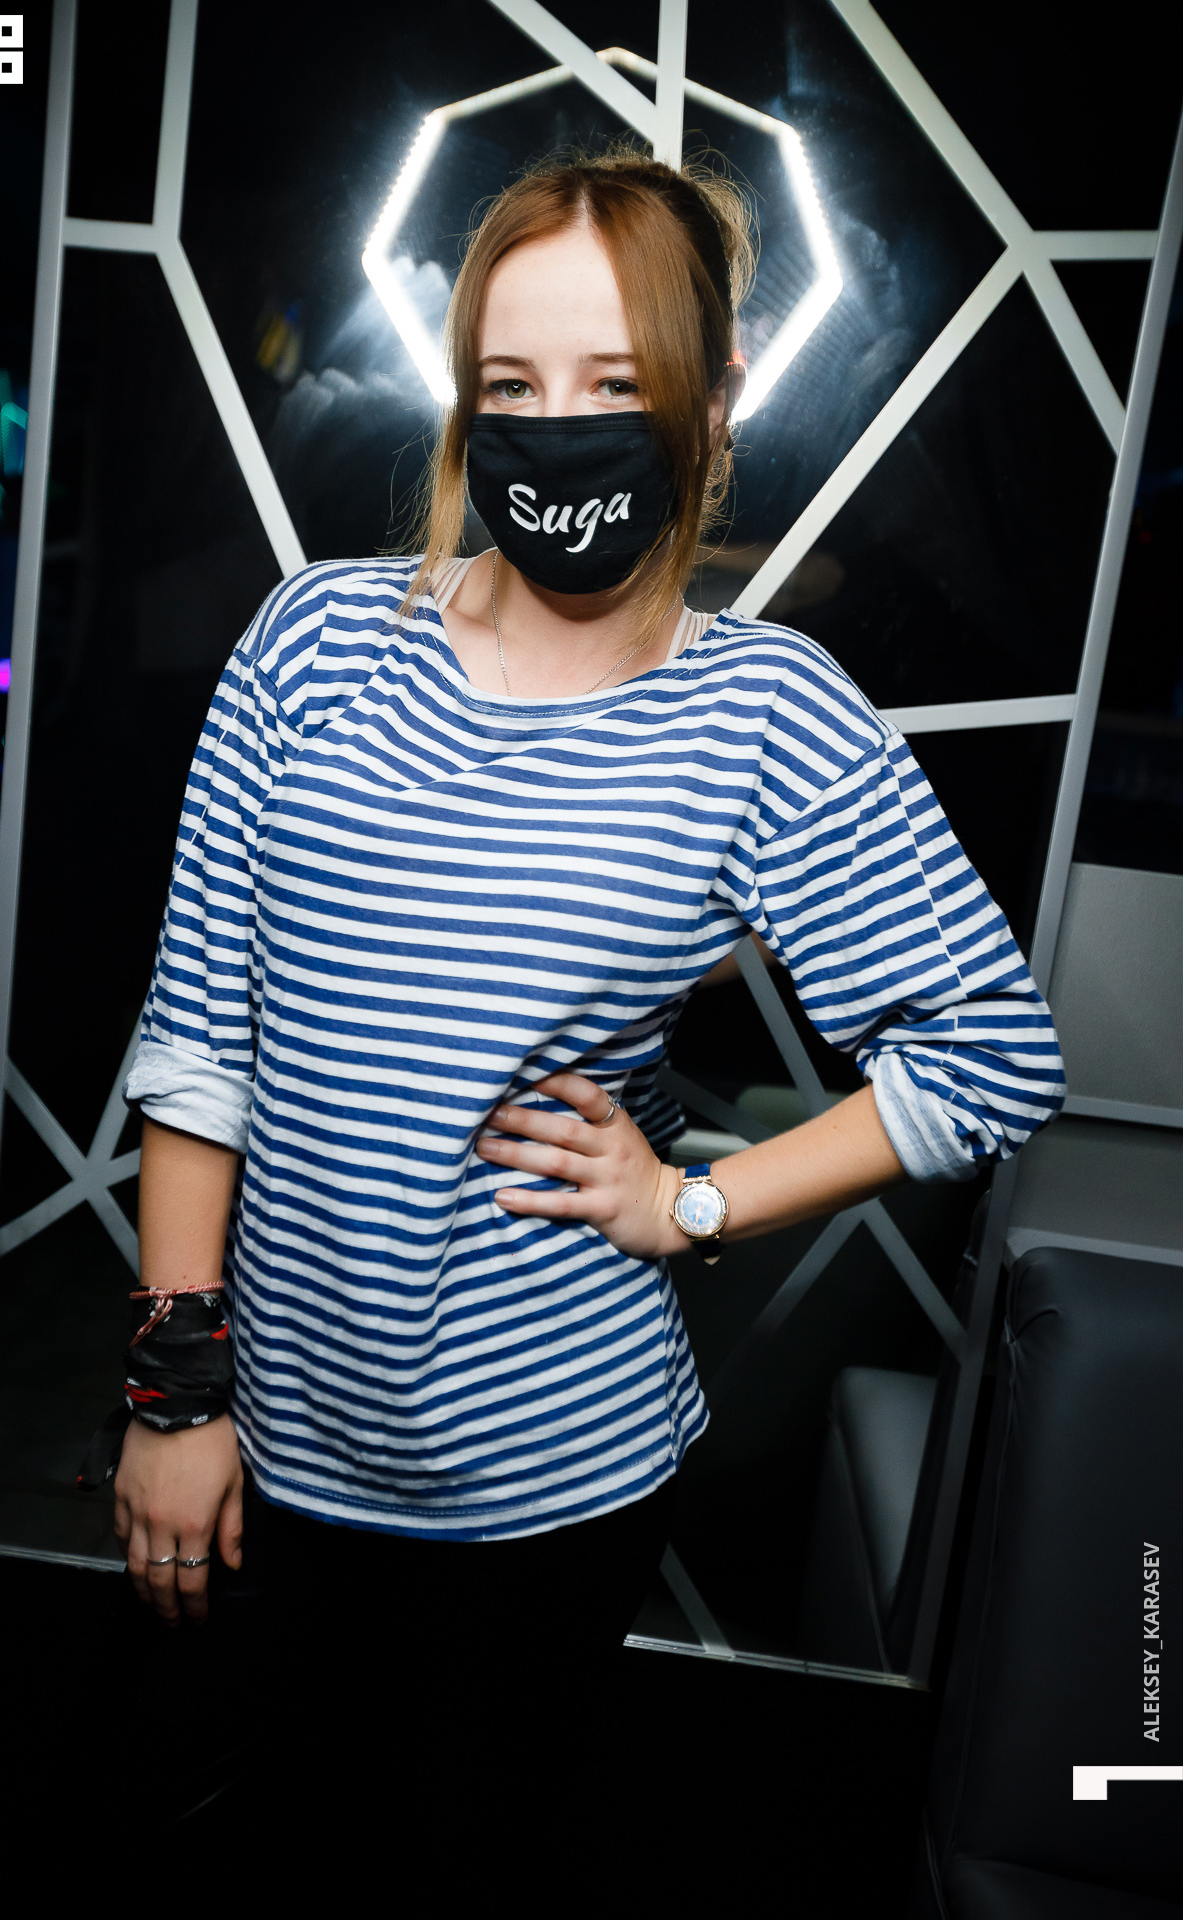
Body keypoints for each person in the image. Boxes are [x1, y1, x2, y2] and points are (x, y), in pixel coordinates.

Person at [114, 150, 1064, 1826]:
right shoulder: (311, 645)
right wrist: (175, 1392)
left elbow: (991, 1057)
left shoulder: (764, 716)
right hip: (269, 1443)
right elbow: (201, 1046)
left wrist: (691, 1203)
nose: (559, 427)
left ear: (713, 402)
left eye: (618, 383)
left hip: (556, 1480)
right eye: (513, 384)